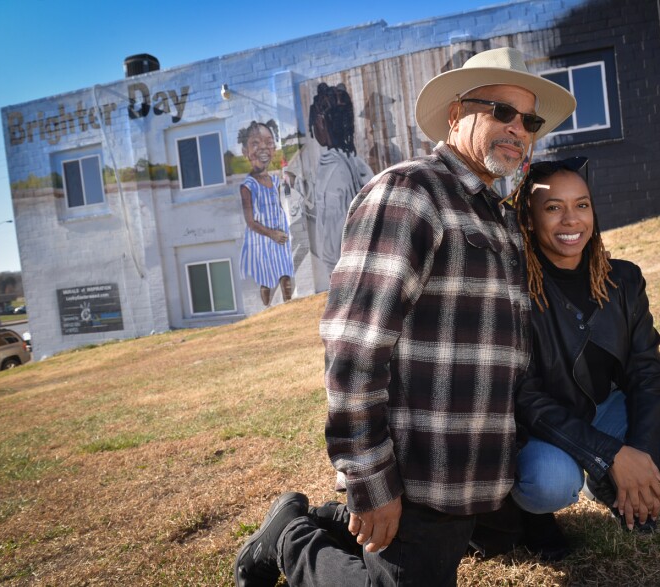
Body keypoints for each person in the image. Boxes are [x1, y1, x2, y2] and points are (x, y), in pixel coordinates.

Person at [233, 47, 576, 587]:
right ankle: (292, 540)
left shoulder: (497, 214)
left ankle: (329, 519)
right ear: (456, 114)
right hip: (420, 476)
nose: (519, 128)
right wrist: (370, 481)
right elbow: (352, 351)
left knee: (503, 540)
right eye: (502, 112)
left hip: (480, 474)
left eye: (529, 120)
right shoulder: (410, 193)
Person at [508, 157, 660, 552]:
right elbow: (525, 397)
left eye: (581, 205)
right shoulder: (510, 289)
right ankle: (533, 518)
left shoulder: (623, 278)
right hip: (543, 426)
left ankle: (613, 482)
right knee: (550, 484)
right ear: (529, 220)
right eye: (552, 208)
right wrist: (609, 455)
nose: (571, 220)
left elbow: (646, 372)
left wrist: (641, 458)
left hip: (605, 406)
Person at [308, 82, 374, 277]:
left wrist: (334, 269)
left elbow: (334, 232)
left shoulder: (334, 171)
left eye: (315, 121)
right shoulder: (356, 163)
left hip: (346, 270)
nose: (313, 128)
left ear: (324, 123)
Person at [237, 120, 295, 305]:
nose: (263, 148)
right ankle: (267, 309)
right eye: (255, 143)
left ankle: (288, 306)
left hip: (280, 234)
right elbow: (250, 221)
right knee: (267, 278)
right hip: (262, 238)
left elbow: (282, 201)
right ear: (245, 152)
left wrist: (289, 181)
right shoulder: (248, 186)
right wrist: (272, 234)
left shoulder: (276, 181)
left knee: (285, 270)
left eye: (268, 142)